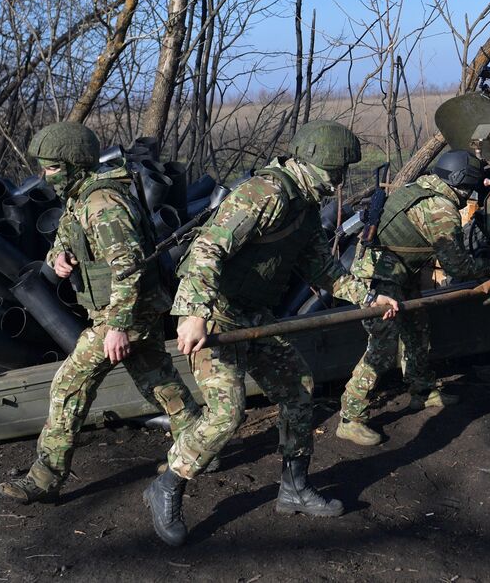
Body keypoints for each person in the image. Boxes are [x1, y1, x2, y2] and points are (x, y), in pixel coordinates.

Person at [144, 119, 398, 547]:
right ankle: (167, 485)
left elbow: (324, 269)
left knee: (298, 389)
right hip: (216, 314)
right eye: (334, 174)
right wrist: (193, 313)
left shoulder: (303, 208)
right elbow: (208, 248)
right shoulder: (265, 195)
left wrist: (368, 297)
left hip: (254, 316)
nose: (337, 184)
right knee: (226, 415)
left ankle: (293, 488)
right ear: (311, 163)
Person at [0, 122, 199, 504]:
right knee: (159, 382)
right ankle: (199, 451)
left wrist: (118, 327)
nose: (45, 175)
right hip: (133, 310)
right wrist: (59, 256)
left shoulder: (102, 204)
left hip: (123, 314)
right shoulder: (81, 196)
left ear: (75, 164)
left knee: (69, 386)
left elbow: (129, 268)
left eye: (53, 168)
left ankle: (44, 478)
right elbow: (67, 233)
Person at [335, 149, 490, 447]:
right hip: (378, 279)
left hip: (398, 271)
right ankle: (350, 417)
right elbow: (457, 266)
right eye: (472, 185)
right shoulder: (440, 210)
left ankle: (422, 390)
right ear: (462, 183)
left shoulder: (421, 186)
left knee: (417, 328)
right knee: (382, 349)